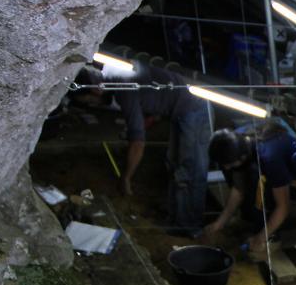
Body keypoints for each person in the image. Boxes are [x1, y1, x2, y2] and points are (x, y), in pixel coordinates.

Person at [73, 64, 209, 233]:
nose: (92, 105)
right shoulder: (113, 71)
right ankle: (176, 219)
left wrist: (126, 178)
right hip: (180, 106)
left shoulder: (124, 90)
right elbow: (153, 94)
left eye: (89, 101)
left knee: (190, 170)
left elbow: (138, 143)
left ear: (95, 91)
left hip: (193, 106)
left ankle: (190, 228)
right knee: (174, 164)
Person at [201, 120, 296, 259]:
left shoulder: (269, 158)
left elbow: (282, 207)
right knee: (255, 182)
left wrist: (260, 239)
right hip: (279, 167)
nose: (226, 168)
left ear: (242, 157)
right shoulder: (235, 140)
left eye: (229, 164)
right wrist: (219, 224)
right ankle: (255, 223)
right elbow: (238, 188)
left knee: (261, 189)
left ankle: (276, 238)